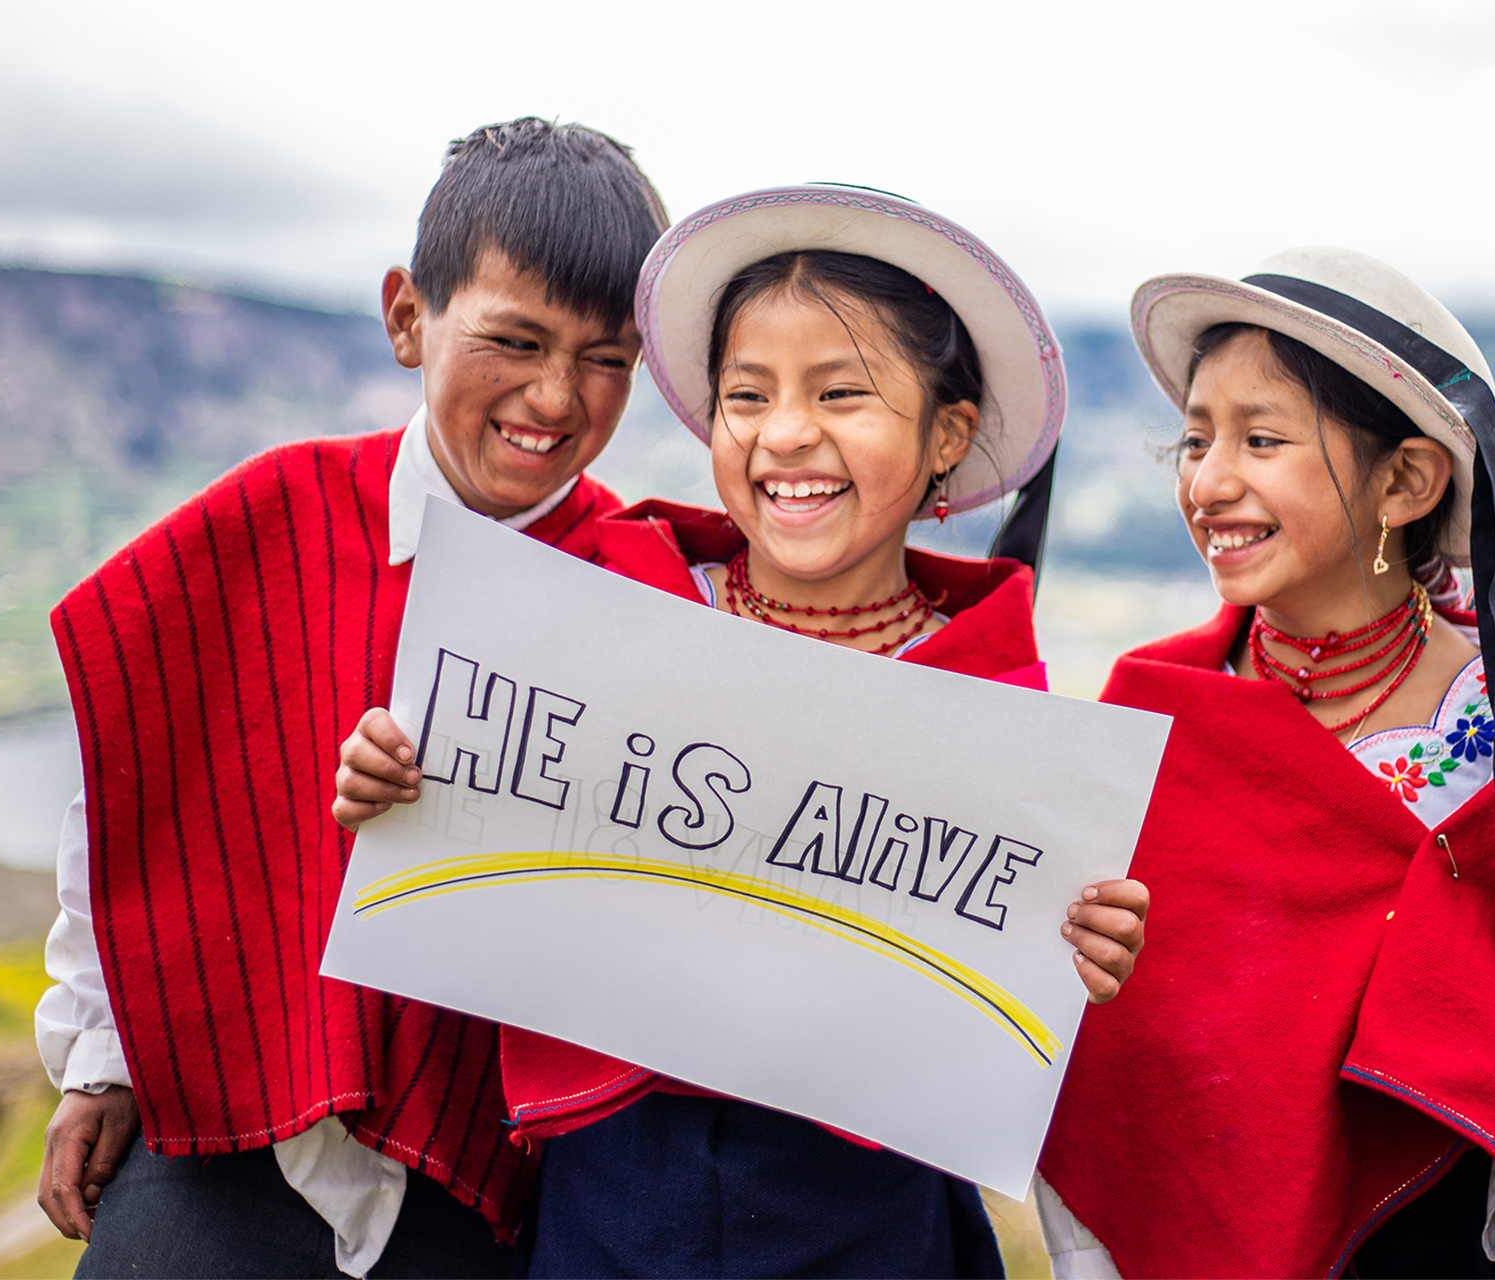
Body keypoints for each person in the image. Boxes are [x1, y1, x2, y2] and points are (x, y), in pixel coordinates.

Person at [335, 184, 1151, 1278]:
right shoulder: (605, 604)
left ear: (948, 431)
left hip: (873, 1220)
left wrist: (1080, 955)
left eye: (842, 393)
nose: (786, 434)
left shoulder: (1000, 708)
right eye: (748, 394)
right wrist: (405, 788)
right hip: (607, 1198)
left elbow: (998, 1006)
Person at [32, 118, 668, 1277]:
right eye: (515, 339)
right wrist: (104, 1055)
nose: (556, 393)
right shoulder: (268, 517)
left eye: (609, 359)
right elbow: (132, 781)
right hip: (230, 1126)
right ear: (407, 317)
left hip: (479, 1177)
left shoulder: (635, 581)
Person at [1035, 248, 1495, 1278]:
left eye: (1262, 437)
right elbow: (1119, 1051)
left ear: (1407, 480)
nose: (1209, 478)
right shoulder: (1156, 717)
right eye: (1195, 438)